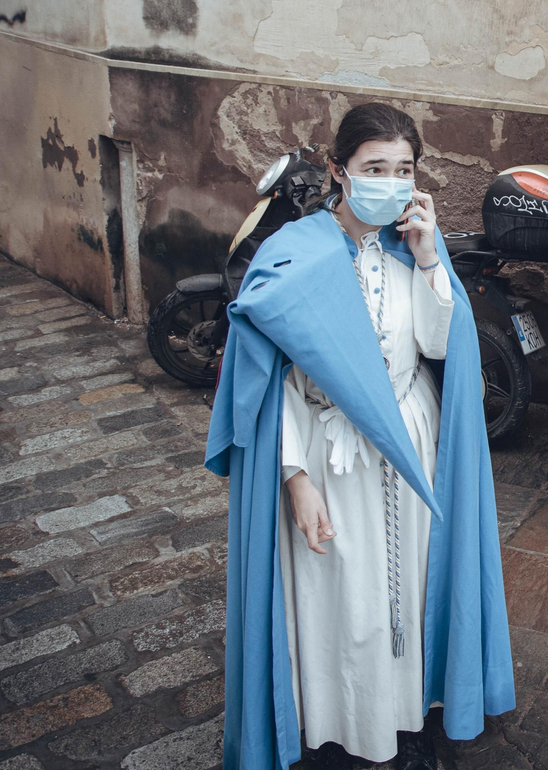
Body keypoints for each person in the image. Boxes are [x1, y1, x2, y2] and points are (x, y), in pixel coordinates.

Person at [205, 102, 515, 770]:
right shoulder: (295, 255)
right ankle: (343, 728)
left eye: (404, 170)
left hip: (409, 445)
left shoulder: (413, 251)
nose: (392, 182)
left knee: (406, 592)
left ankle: (403, 721)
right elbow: (269, 387)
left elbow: (440, 343)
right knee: (346, 604)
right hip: (328, 454)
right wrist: (295, 479)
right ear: (340, 171)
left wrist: (431, 261)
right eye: (376, 167)